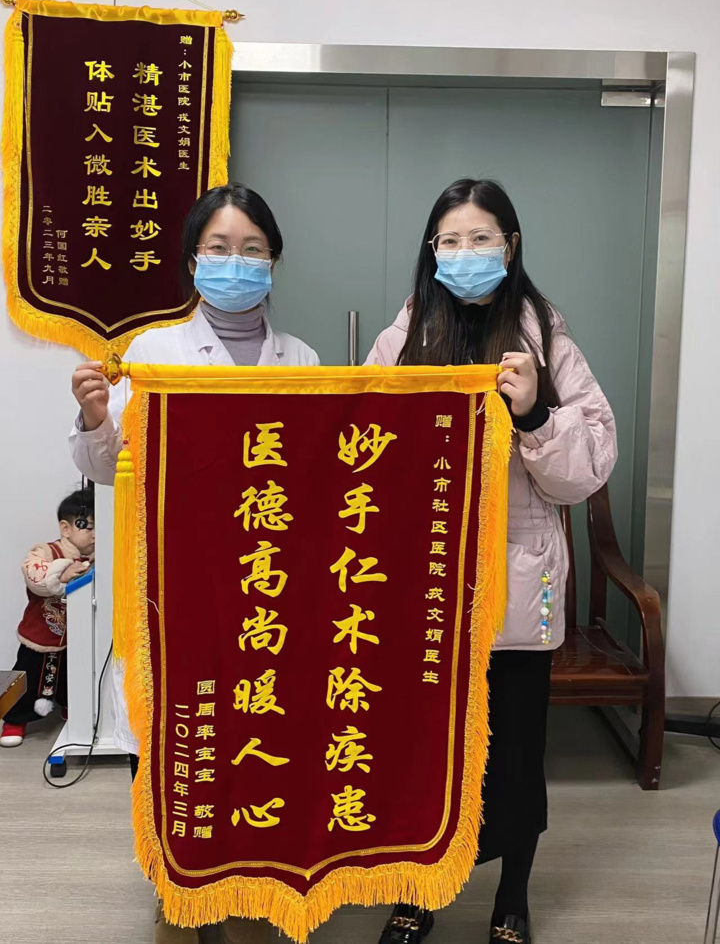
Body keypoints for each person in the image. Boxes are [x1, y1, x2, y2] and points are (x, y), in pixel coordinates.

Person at [366, 179, 617, 944]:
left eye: (481, 238)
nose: (465, 252)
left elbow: (588, 469)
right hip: (424, 587)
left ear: (510, 246)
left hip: (520, 585)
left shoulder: (549, 340)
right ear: (431, 251)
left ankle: (513, 895)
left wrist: (536, 412)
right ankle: (419, 890)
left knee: (514, 754)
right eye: (450, 240)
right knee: (421, 754)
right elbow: (362, 455)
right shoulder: (403, 339)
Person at [69, 183, 318, 944]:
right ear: (191, 260)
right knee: (173, 730)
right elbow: (107, 468)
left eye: (252, 250)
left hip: (267, 583)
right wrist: (95, 417)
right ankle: (176, 882)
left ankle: (252, 872)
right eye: (220, 248)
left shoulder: (302, 359)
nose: (236, 263)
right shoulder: (151, 353)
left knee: (257, 730)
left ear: (274, 262)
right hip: (173, 583)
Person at [1, 487, 94, 747]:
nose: (95, 534)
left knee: (75, 674)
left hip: (77, 635)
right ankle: (14, 719)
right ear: (66, 528)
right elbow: (33, 575)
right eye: (88, 527)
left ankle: (72, 708)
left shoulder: (98, 555)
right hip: (41, 633)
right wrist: (61, 572)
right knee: (28, 676)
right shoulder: (47, 551)